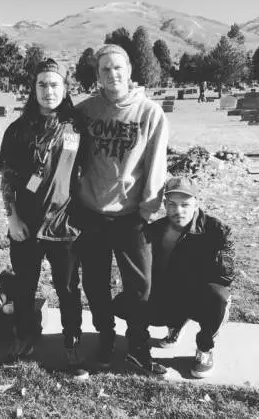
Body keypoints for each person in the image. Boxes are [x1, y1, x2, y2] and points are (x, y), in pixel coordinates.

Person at [74, 44, 169, 375]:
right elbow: (70, 155)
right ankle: (105, 337)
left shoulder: (149, 113)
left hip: (131, 216)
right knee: (95, 284)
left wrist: (149, 207)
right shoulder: (85, 111)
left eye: (118, 67)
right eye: (105, 69)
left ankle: (138, 344)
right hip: (92, 213)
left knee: (139, 286)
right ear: (97, 76)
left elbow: (156, 163)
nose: (112, 74)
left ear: (129, 71)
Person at [0, 59, 87, 380]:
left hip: (64, 223)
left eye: (54, 84)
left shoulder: (77, 127)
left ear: (65, 88)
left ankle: (72, 341)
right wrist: (13, 219)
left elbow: (87, 171)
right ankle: (24, 336)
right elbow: (7, 177)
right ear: (33, 89)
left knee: (68, 287)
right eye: (42, 84)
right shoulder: (18, 130)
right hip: (26, 222)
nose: (48, 91)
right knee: (24, 285)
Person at [114, 177, 235, 378]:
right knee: (126, 301)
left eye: (185, 204)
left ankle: (205, 349)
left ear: (196, 203)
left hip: (197, 295)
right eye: (172, 204)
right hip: (167, 294)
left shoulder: (217, 230)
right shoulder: (154, 230)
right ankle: (169, 329)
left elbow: (225, 277)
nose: (178, 211)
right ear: (164, 204)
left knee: (219, 297)